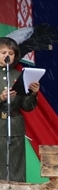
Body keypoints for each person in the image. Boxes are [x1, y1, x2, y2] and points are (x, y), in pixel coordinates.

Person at [0, 37, 40, 182]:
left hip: (15, 125)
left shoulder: (18, 76)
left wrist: (33, 93)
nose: (7, 56)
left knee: (16, 168)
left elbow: (27, 107)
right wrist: (1, 98)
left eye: (11, 53)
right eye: (3, 52)